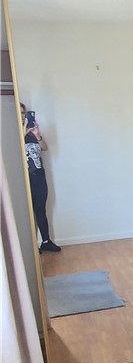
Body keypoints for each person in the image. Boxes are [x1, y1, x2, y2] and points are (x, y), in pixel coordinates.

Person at [20, 103, 61, 253]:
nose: (22, 116)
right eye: (20, 113)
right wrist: (23, 132)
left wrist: (37, 134)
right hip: (25, 178)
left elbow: (44, 148)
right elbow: (16, 149)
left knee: (40, 210)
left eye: (24, 113)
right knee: (28, 212)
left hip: (39, 176)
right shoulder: (14, 133)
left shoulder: (32, 134)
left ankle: (46, 241)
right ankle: (31, 246)